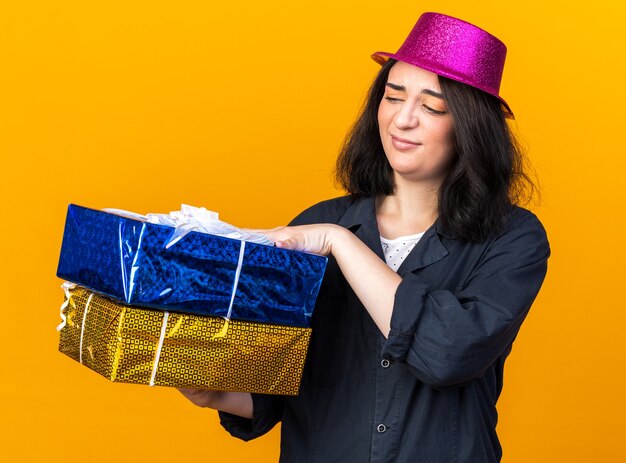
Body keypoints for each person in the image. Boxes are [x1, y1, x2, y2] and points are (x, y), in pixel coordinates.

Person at [179, 12, 550, 462]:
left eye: (432, 107)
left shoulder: (512, 239)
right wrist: (213, 389)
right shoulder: (319, 221)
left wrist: (341, 243)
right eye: (393, 97)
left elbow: (449, 353)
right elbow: (282, 387)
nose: (403, 120)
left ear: (471, 127)